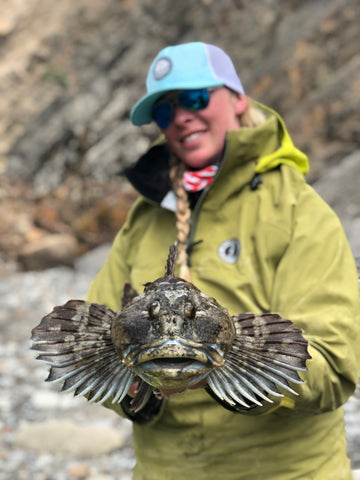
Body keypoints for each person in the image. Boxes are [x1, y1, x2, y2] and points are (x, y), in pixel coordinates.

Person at [86, 42, 360, 480]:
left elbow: (335, 366)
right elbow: (94, 343)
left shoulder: (297, 210)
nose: (180, 117)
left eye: (195, 98)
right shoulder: (144, 219)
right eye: (164, 111)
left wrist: (231, 367)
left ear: (237, 98)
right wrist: (142, 388)